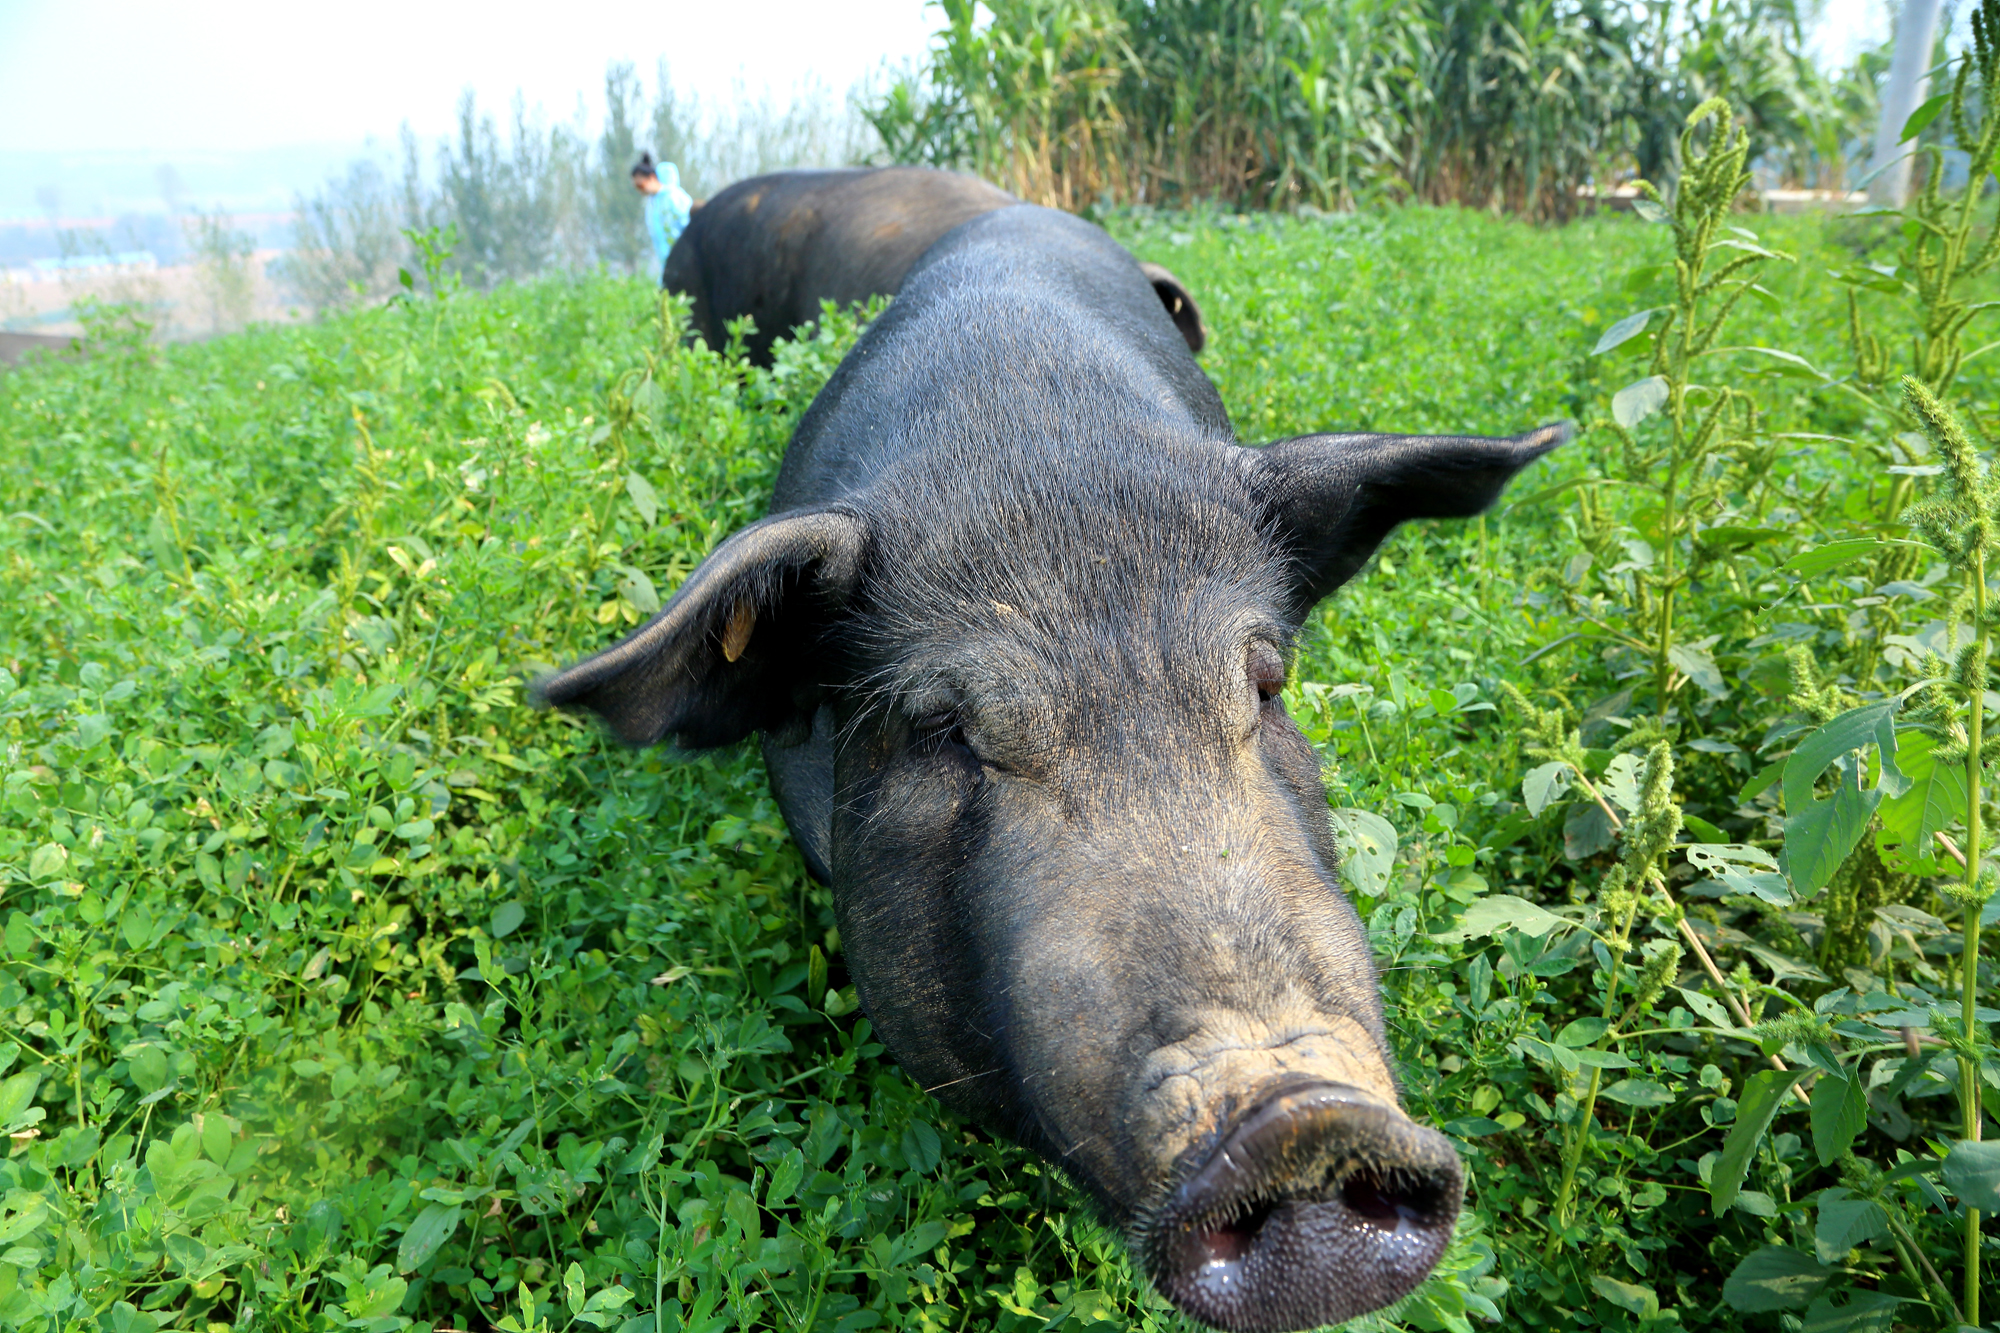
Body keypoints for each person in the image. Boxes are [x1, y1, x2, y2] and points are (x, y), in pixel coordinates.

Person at [632, 151, 692, 282]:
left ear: (652, 178)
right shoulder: (652, 203)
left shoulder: (674, 197)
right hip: (666, 262)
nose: (640, 190)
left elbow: (688, 225)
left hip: (684, 259)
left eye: (640, 185)